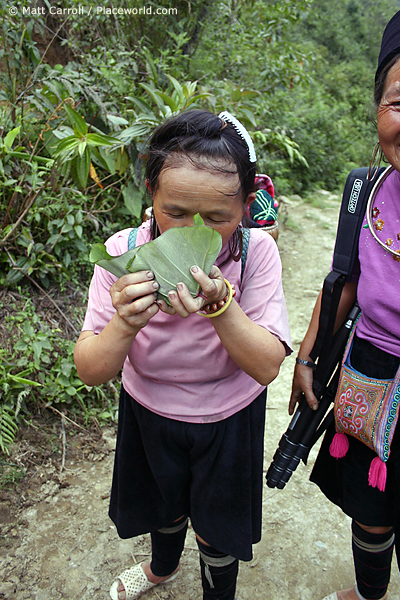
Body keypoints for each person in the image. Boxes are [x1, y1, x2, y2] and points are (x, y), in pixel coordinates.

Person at [74, 109, 291, 600]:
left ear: (245, 205)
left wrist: (222, 308)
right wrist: (125, 321)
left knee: (218, 531)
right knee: (163, 508)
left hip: (228, 419)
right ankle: (161, 568)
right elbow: (90, 369)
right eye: (175, 212)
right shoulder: (123, 253)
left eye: (216, 218)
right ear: (150, 193)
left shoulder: (255, 253)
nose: (193, 231)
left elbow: (265, 366)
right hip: (148, 411)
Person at [289, 11, 400, 600]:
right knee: (370, 506)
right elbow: (343, 285)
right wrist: (307, 360)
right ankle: (369, 591)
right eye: (399, 101)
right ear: (377, 106)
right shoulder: (366, 192)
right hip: (368, 375)